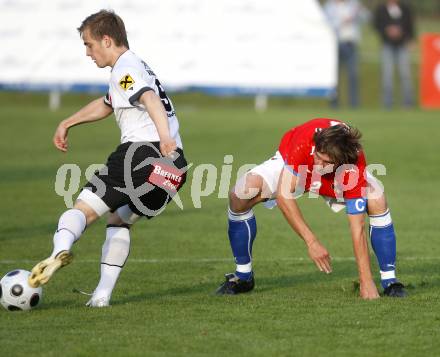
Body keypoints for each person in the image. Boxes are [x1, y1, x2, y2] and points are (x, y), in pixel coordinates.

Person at [28, 10, 188, 307]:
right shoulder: (137, 67)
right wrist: (67, 122)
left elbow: (149, 100)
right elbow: (107, 103)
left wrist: (163, 137)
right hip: (174, 167)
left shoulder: (124, 70)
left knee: (83, 210)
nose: (88, 53)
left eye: (89, 45)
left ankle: (56, 253)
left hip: (141, 155)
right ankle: (101, 297)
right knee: (119, 220)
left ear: (106, 40)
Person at [216, 118, 406, 299]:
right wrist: (312, 241)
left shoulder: (353, 163)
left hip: (334, 178)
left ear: (341, 161)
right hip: (294, 165)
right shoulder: (305, 143)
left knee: (377, 199)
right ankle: (243, 277)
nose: (319, 164)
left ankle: (390, 281)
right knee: (240, 194)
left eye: (326, 162)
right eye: (319, 157)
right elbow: (284, 196)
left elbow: (357, 228)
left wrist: (366, 281)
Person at [323, 0, 369, 108]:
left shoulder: (354, 4)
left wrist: (361, 11)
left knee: (353, 75)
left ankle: (353, 104)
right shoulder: (329, 6)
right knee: (334, 77)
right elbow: (325, 23)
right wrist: (341, 21)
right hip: (335, 44)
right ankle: (334, 104)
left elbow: (367, 18)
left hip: (351, 43)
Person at [373, 0, 415, 108]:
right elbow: (376, 25)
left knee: (405, 75)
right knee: (387, 75)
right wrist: (387, 30)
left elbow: (410, 25)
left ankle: (407, 103)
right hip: (387, 45)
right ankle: (387, 104)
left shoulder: (405, 8)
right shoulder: (381, 9)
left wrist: (409, 38)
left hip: (402, 45)